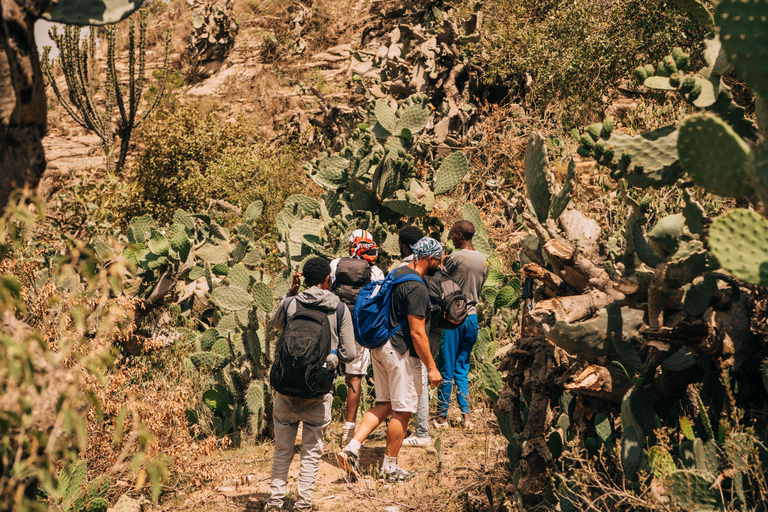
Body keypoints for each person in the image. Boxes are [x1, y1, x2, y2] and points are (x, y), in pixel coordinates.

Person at [337, 237, 443, 482]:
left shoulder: (397, 273)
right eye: (440, 257)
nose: (441, 261)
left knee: (385, 403)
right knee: (403, 410)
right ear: (431, 258)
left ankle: (352, 448)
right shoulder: (417, 287)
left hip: (381, 347)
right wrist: (432, 367)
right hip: (400, 351)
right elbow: (417, 333)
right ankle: (390, 468)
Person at [266, 257, 356, 512]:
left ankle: (274, 503)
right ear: (328, 279)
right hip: (318, 390)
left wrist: (289, 294)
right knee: (311, 453)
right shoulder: (339, 309)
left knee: (282, 451)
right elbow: (350, 353)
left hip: (286, 389)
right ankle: (303, 505)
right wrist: (333, 354)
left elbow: (276, 324)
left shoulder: (292, 303)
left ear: (303, 279)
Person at [331, 229, 385, 445]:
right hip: (359, 326)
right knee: (355, 376)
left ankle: (320, 422)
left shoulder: (335, 263)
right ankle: (349, 427)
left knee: (328, 369)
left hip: (336, 321)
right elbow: (378, 298)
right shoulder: (376, 271)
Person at [433, 221, 487, 429]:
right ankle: (467, 417)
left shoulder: (456, 257)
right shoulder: (483, 260)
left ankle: (442, 417)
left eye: (453, 234)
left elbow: (439, 275)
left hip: (453, 318)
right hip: (472, 317)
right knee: (462, 368)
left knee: (446, 366)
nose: (451, 237)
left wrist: (441, 260)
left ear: (460, 235)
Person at [395, 227, 435, 447]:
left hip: (411, 333)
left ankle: (421, 432)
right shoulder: (432, 263)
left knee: (417, 380)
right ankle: (418, 429)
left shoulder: (405, 269)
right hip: (433, 325)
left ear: (404, 245)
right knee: (422, 381)